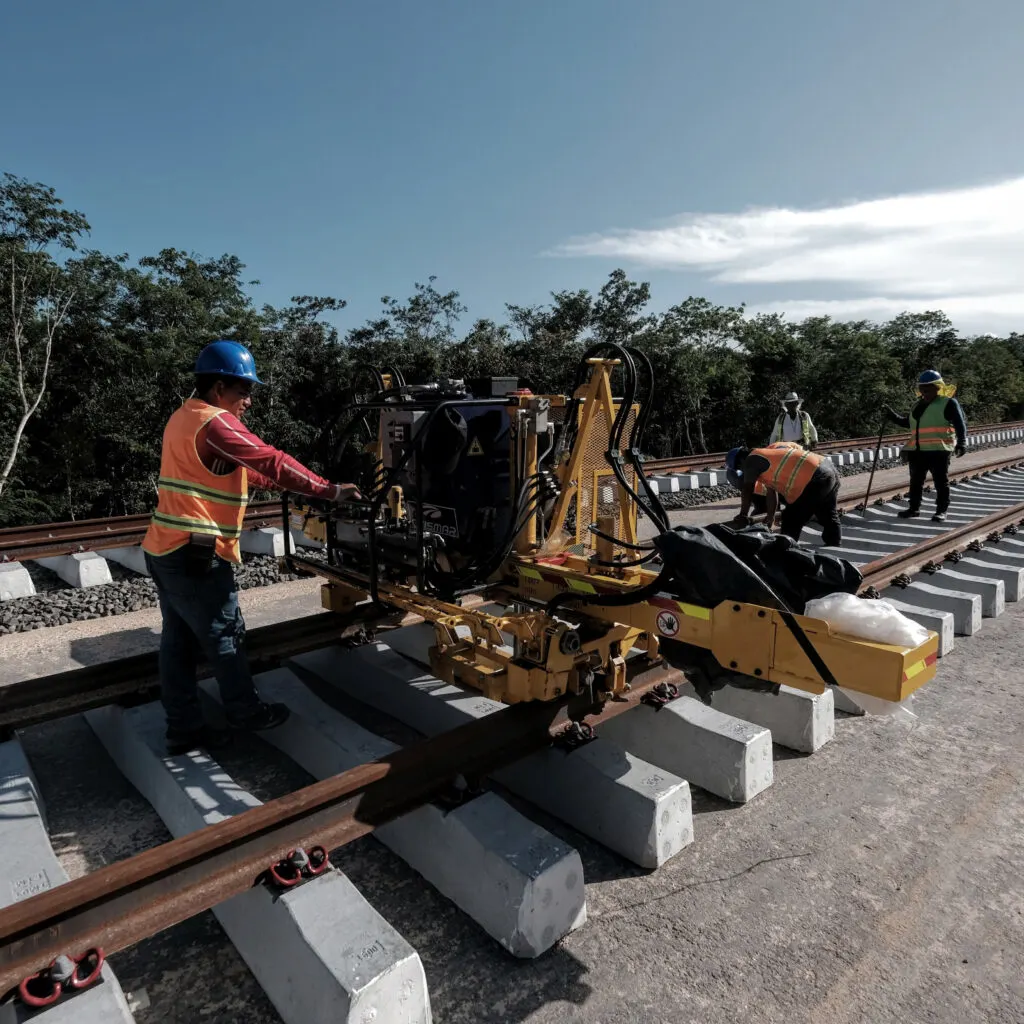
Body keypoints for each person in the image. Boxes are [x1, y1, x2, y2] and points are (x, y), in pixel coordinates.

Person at [142, 340, 361, 755]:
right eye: (243, 390)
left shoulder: (183, 418)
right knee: (224, 635)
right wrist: (328, 490)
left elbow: (236, 469)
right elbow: (270, 460)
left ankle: (183, 727)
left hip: (163, 546)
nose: (249, 400)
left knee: (178, 642)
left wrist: (285, 485)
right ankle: (246, 712)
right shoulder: (217, 422)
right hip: (195, 551)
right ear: (219, 387)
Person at [885, 369, 967, 522]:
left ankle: (941, 511)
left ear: (938, 387)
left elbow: (960, 423)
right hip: (917, 450)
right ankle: (914, 508)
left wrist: (962, 442)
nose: (925, 391)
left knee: (941, 482)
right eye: (922, 388)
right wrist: (892, 416)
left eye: (928, 388)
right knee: (915, 482)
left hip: (939, 450)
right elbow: (907, 422)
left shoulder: (948, 403)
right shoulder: (917, 405)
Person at [726, 441, 841, 546]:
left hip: (815, 476)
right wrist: (770, 517)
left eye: (740, 468)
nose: (744, 471)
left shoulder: (751, 460)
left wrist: (743, 514)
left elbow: (747, 489)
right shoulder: (766, 457)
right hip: (828, 468)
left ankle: (785, 548)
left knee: (792, 516)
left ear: (740, 461)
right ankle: (834, 542)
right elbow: (772, 493)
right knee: (827, 510)